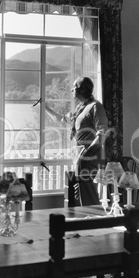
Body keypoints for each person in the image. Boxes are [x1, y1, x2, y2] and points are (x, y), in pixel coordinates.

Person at [45, 76, 108, 205]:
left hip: (89, 156)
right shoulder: (80, 110)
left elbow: (102, 134)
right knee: (80, 192)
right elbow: (61, 119)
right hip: (79, 156)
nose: (71, 90)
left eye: (73, 87)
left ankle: (94, 220)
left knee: (88, 193)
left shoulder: (96, 106)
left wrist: (86, 154)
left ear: (82, 89)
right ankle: (86, 219)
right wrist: (45, 108)